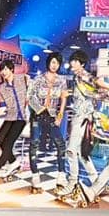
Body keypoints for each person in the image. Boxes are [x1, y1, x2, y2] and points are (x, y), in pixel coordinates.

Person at [57, 50, 109, 197]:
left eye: (76, 61)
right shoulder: (77, 77)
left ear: (82, 63)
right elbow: (89, 92)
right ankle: (97, 182)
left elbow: (95, 82)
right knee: (81, 153)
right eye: (72, 60)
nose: (73, 63)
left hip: (82, 118)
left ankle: (72, 183)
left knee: (71, 151)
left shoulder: (83, 75)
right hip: (82, 117)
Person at [27, 52, 68, 192]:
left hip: (52, 116)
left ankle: (61, 175)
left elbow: (63, 98)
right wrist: (39, 109)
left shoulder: (62, 80)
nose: (54, 65)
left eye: (57, 63)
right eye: (52, 62)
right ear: (48, 63)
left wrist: (60, 116)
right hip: (38, 115)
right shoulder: (39, 79)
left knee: (60, 145)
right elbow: (30, 96)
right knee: (34, 143)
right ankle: (35, 176)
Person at [0, 61, 29, 179]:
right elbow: (3, 107)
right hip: (10, 117)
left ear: (11, 69)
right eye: (2, 70)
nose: (3, 72)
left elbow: (31, 87)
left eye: (5, 69)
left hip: (21, 118)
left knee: (9, 143)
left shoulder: (22, 79)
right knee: (0, 139)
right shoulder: (2, 88)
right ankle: (13, 162)